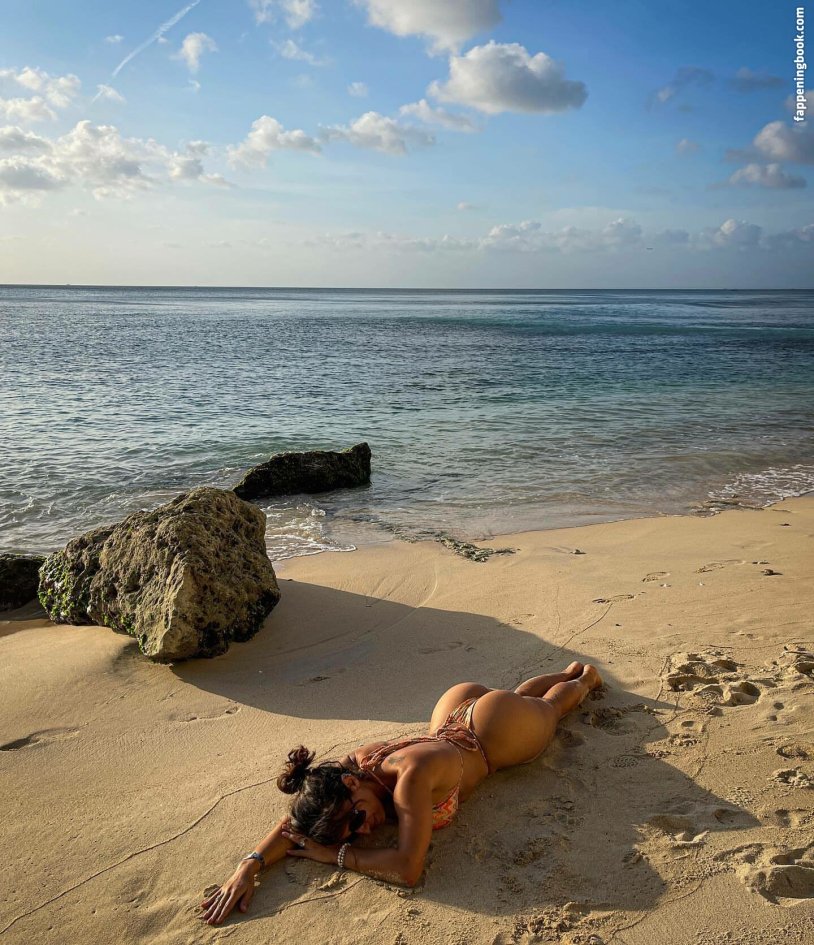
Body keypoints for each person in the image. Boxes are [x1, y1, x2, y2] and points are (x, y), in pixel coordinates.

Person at [201, 661, 601, 926]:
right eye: (353, 833)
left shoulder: (409, 777)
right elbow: (294, 824)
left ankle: (584, 678)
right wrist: (249, 866)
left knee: (551, 709)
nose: (364, 829)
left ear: (352, 785)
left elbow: (408, 869)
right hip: (454, 712)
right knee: (521, 699)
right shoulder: (346, 773)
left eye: (356, 819)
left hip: (492, 737)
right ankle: (564, 670)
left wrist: (334, 854)